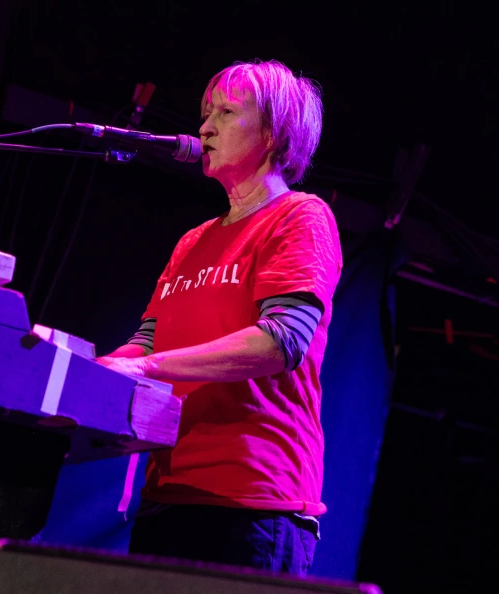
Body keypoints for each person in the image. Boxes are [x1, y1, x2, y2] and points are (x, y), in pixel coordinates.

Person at [97, 59, 342, 577]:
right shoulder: (193, 241)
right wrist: (79, 368)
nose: (204, 127)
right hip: (168, 494)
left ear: (276, 133)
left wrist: (145, 369)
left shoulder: (301, 216)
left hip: (252, 504)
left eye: (227, 113)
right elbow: (146, 342)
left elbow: (280, 342)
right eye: (206, 112)